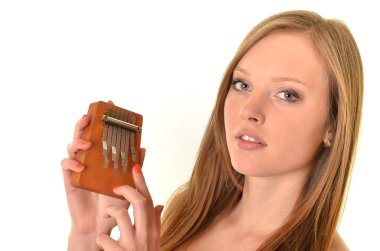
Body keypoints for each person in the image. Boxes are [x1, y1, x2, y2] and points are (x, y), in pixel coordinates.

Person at [61, 10, 363, 250]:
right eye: (242, 84)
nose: (249, 110)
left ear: (333, 127)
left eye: (286, 94)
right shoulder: (185, 215)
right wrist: (88, 235)